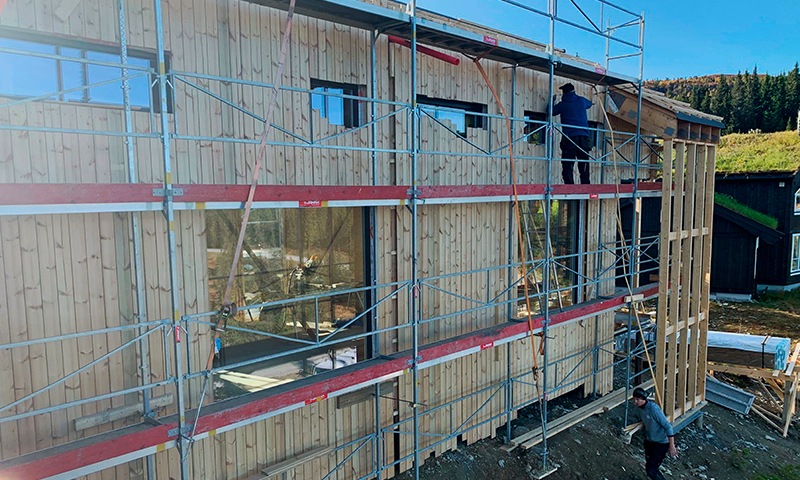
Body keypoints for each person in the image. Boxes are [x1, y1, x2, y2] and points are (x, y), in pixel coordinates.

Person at [551, 83, 593, 184]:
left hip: (570, 137)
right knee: (584, 163)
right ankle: (586, 186)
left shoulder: (563, 104)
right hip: (584, 136)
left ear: (564, 92)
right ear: (574, 91)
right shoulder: (581, 100)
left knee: (568, 164)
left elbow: (551, 111)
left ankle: (569, 187)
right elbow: (590, 104)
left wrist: (552, 101)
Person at [632, 387, 678, 480]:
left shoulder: (653, 409)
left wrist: (672, 446)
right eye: (634, 399)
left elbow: (667, 426)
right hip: (650, 440)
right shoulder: (640, 408)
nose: (635, 402)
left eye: (637, 399)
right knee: (650, 465)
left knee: (651, 469)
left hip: (661, 443)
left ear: (643, 399)